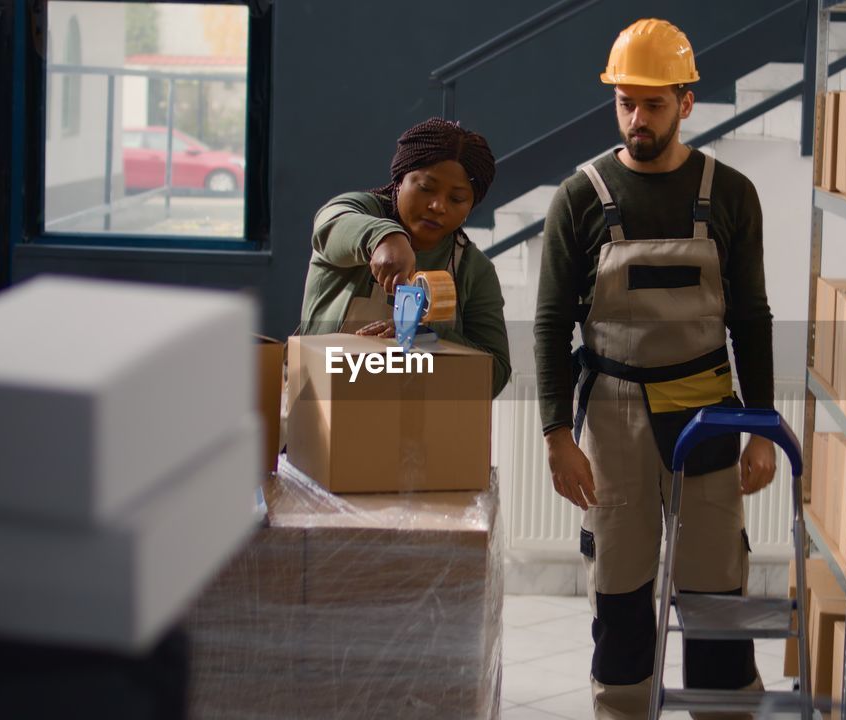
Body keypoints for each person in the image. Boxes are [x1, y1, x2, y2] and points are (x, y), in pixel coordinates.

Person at [533, 18, 777, 719]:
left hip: (708, 405)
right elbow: (551, 324)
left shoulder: (730, 194)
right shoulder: (578, 199)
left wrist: (760, 428)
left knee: (715, 583)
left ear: (687, 101)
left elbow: (752, 318)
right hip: (614, 410)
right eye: (626, 103)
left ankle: (724, 709)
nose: (638, 119)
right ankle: (621, 707)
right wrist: (556, 436)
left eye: (654, 104)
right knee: (619, 580)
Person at [298, 117, 511, 396]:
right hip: (322, 415)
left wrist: (431, 338)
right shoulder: (360, 212)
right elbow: (330, 223)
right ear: (399, 180)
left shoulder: (472, 269)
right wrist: (383, 238)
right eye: (425, 188)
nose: (437, 206)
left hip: (415, 429)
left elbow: (494, 373)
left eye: (457, 199)